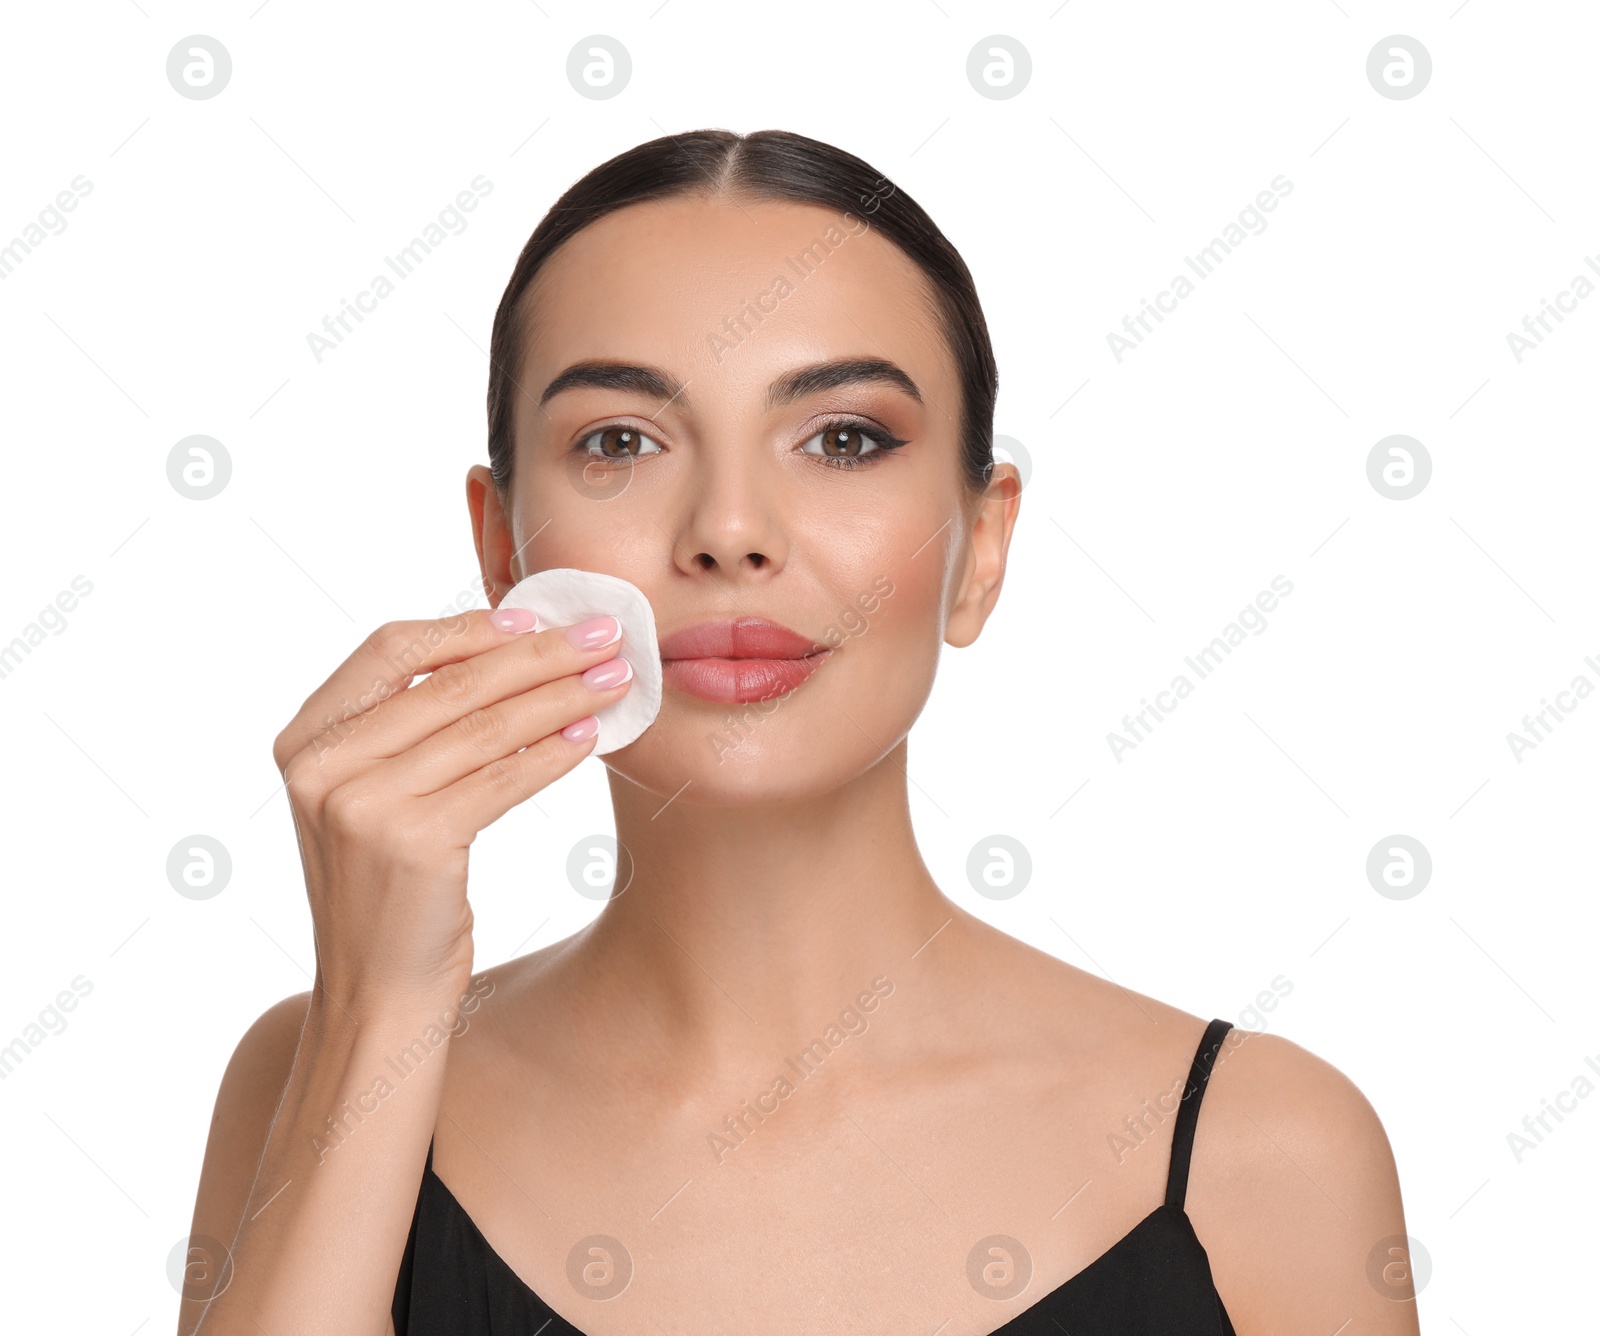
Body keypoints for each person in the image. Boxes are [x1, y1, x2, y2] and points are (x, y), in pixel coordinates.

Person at [177, 129, 1418, 1336]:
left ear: (981, 550)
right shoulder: (313, 1067)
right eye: (620, 440)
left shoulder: (1267, 1150)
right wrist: (383, 1012)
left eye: (842, 439)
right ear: (503, 549)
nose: (728, 528)